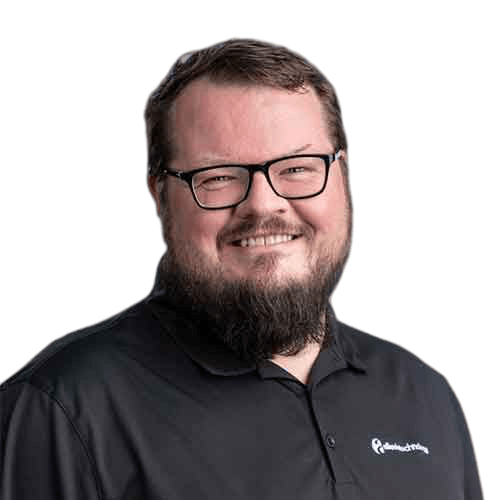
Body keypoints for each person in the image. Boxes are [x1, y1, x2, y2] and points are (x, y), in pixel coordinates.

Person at [0, 37, 484, 499]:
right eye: (219, 177)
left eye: (297, 168)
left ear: (343, 175)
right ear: (159, 195)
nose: (264, 205)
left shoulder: (425, 396)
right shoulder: (60, 412)